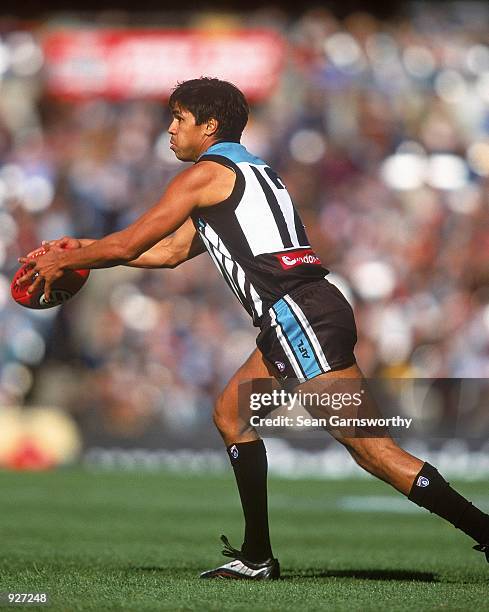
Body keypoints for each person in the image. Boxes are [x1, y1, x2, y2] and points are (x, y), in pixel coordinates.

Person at [19, 77, 489, 580]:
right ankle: (257, 557)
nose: (171, 130)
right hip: (303, 312)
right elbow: (170, 251)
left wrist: (65, 261)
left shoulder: (204, 176)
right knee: (231, 414)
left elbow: (131, 243)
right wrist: (84, 247)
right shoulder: (254, 170)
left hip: (296, 314)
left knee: (372, 450)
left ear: (209, 125)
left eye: (180, 119)